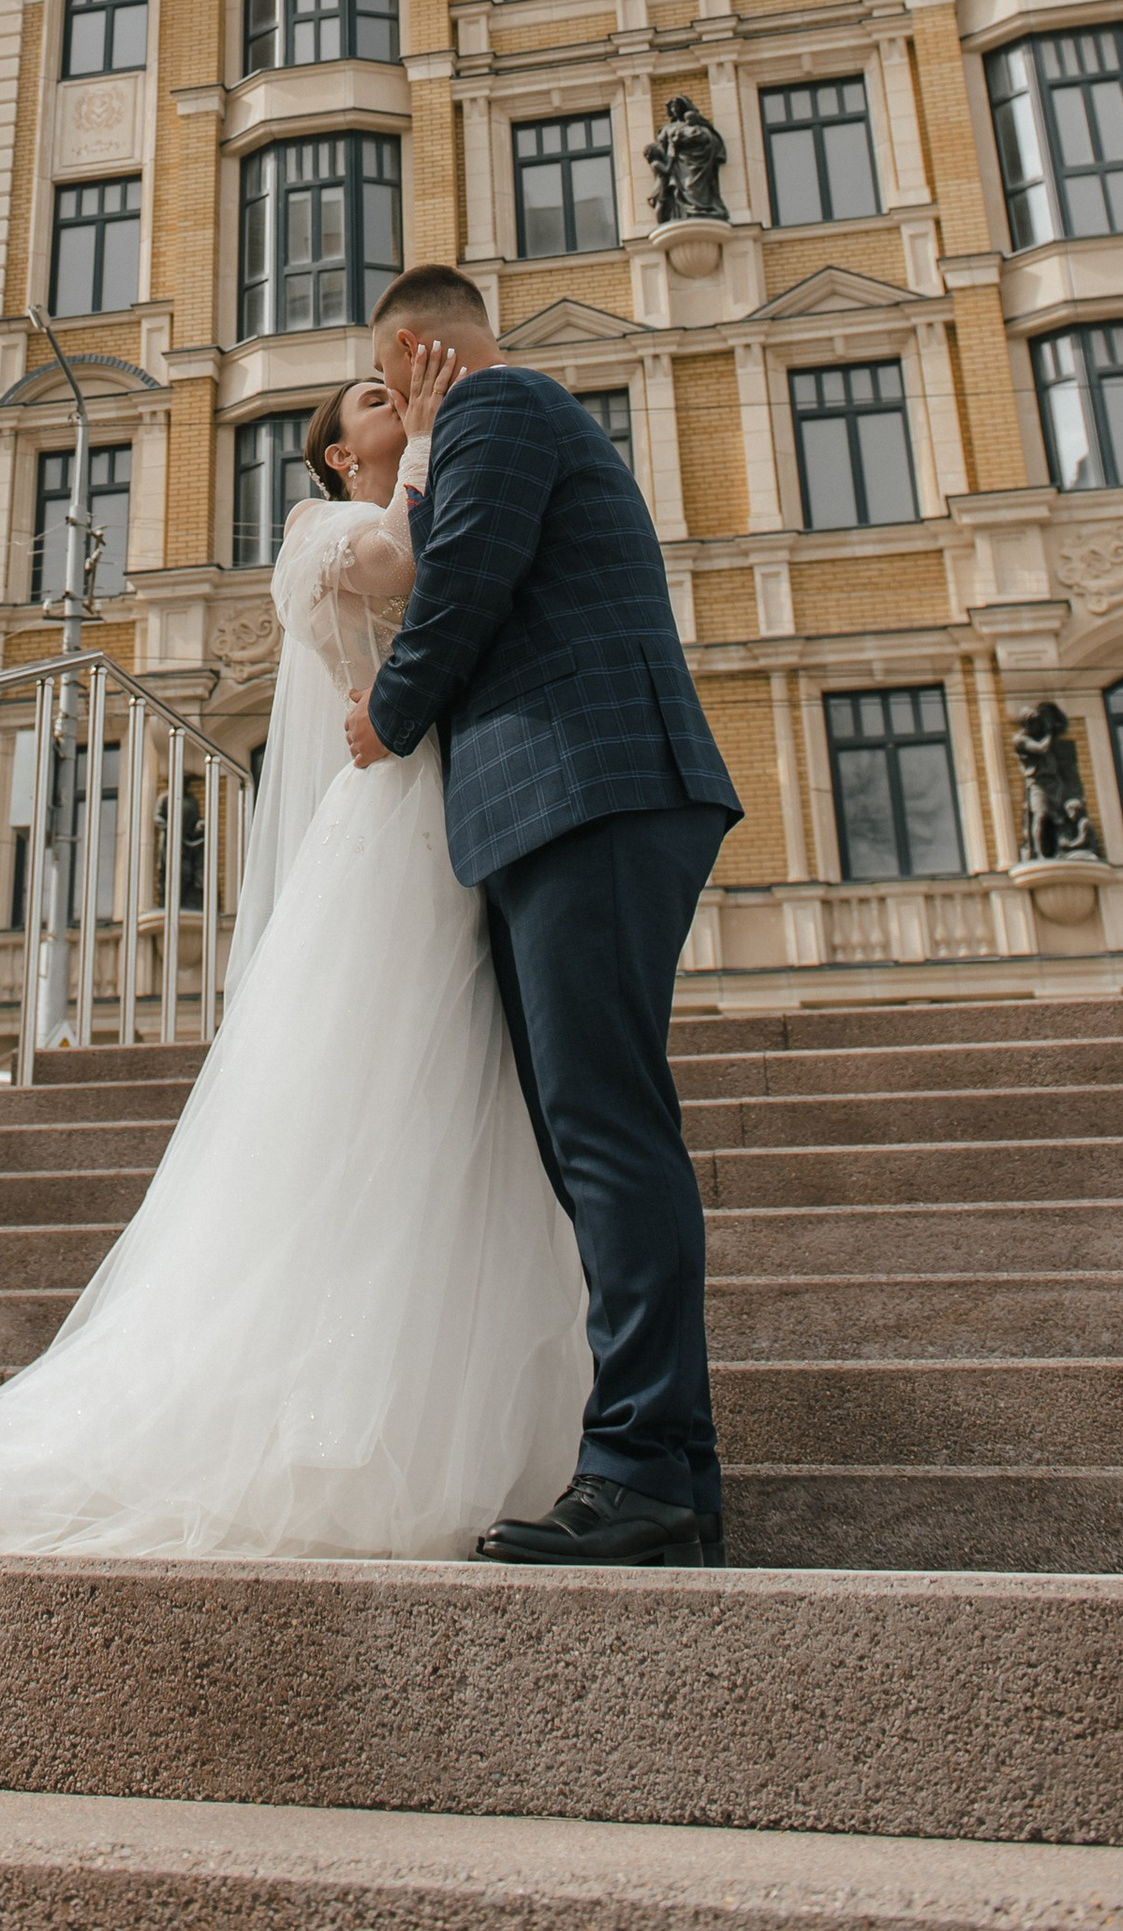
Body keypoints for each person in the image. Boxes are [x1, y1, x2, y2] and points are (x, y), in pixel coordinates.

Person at [0, 353, 586, 1560]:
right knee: (383, 1078)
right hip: (393, 812)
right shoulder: (320, 526)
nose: (400, 400)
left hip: (471, 794)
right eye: (374, 401)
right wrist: (429, 443)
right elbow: (402, 568)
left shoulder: (432, 488)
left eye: (399, 393)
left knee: (475, 1087)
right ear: (336, 453)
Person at [347, 265, 742, 1567]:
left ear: (417, 351)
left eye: (389, 380)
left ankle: (638, 1465)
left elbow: (463, 581)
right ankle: (672, 1470)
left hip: (590, 790)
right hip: (559, 804)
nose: (398, 403)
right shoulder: (494, 420)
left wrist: (387, 711)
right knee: (592, 1138)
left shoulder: (500, 406)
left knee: (608, 1132)